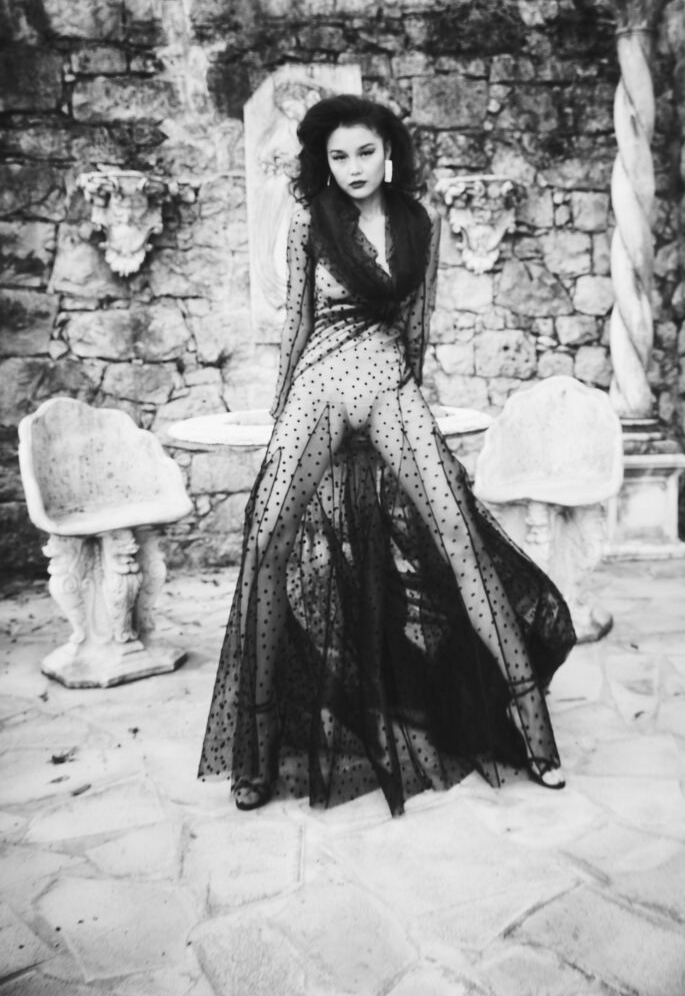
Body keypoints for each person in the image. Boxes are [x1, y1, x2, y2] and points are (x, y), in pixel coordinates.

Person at [198, 94, 576, 816]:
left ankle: (534, 729)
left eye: (365, 152)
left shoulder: (416, 223)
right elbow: (297, 325)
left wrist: (405, 412)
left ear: (389, 152)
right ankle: (257, 747)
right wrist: (282, 419)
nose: (353, 167)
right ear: (325, 161)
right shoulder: (310, 219)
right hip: (318, 382)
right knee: (267, 538)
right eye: (339, 156)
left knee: (461, 538)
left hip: (388, 382)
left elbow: (416, 328)